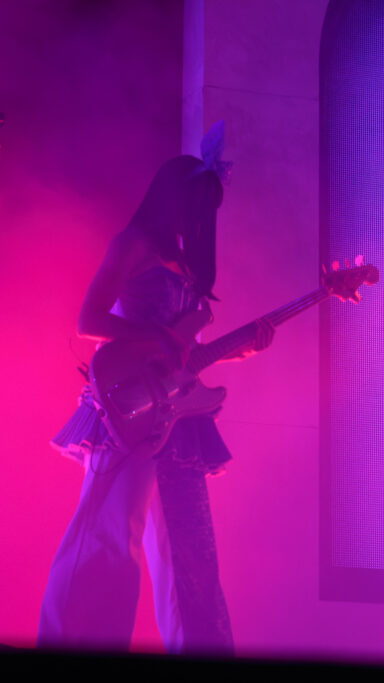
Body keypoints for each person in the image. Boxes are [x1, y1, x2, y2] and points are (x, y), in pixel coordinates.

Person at [39, 137, 272, 655]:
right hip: (126, 403)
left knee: (187, 554)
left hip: (177, 414)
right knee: (108, 537)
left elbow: (186, 351)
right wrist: (154, 339)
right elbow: (88, 321)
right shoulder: (133, 245)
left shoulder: (185, 266)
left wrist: (241, 351)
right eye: (199, 207)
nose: (204, 221)